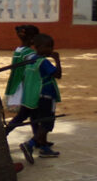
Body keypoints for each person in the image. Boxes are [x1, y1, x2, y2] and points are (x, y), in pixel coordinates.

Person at [5, 33, 62, 163]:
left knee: (34, 120)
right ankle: (30, 144)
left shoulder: (31, 59)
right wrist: (57, 60)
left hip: (31, 96)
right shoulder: (43, 62)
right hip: (46, 95)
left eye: (51, 46)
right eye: (47, 47)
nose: (50, 49)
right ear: (37, 47)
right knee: (47, 123)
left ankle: (42, 145)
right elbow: (57, 74)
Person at [4, 24, 39, 110]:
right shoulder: (29, 52)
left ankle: (13, 104)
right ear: (32, 38)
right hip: (22, 78)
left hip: (15, 77)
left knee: (16, 90)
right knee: (21, 91)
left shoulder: (18, 49)